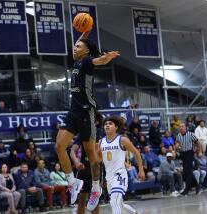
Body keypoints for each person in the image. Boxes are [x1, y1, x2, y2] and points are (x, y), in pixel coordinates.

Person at [55, 30, 119, 211]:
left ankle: (97, 188)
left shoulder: (87, 61)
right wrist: (84, 32)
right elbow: (80, 43)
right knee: (59, 146)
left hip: (86, 112)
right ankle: (72, 182)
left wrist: (108, 58)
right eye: (74, 46)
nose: (74, 48)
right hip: (73, 111)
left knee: (92, 155)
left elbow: (100, 60)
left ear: (86, 51)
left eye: (78, 47)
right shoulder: (77, 59)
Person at [98, 116, 145, 214]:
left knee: (114, 201)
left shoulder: (122, 140)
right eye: (106, 124)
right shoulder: (100, 142)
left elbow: (136, 153)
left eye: (110, 124)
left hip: (120, 175)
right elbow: (99, 160)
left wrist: (141, 170)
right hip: (109, 177)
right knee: (119, 204)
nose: (107, 125)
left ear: (116, 127)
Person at [70, 141, 100, 214]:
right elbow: (72, 151)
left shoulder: (100, 134)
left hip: (96, 169)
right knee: (82, 198)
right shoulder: (82, 134)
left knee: (95, 199)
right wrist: (76, 161)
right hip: (83, 169)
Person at [175, 123, 199, 196]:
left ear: (185, 128)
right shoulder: (178, 135)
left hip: (189, 153)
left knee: (188, 171)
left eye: (182, 126)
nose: (181, 128)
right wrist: (177, 146)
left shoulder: (191, 134)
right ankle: (198, 186)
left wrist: (198, 150)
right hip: (183, 153)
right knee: (187, 172)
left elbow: (198, 143)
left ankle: (187, 189)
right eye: (180, 127)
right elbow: (177, 143)